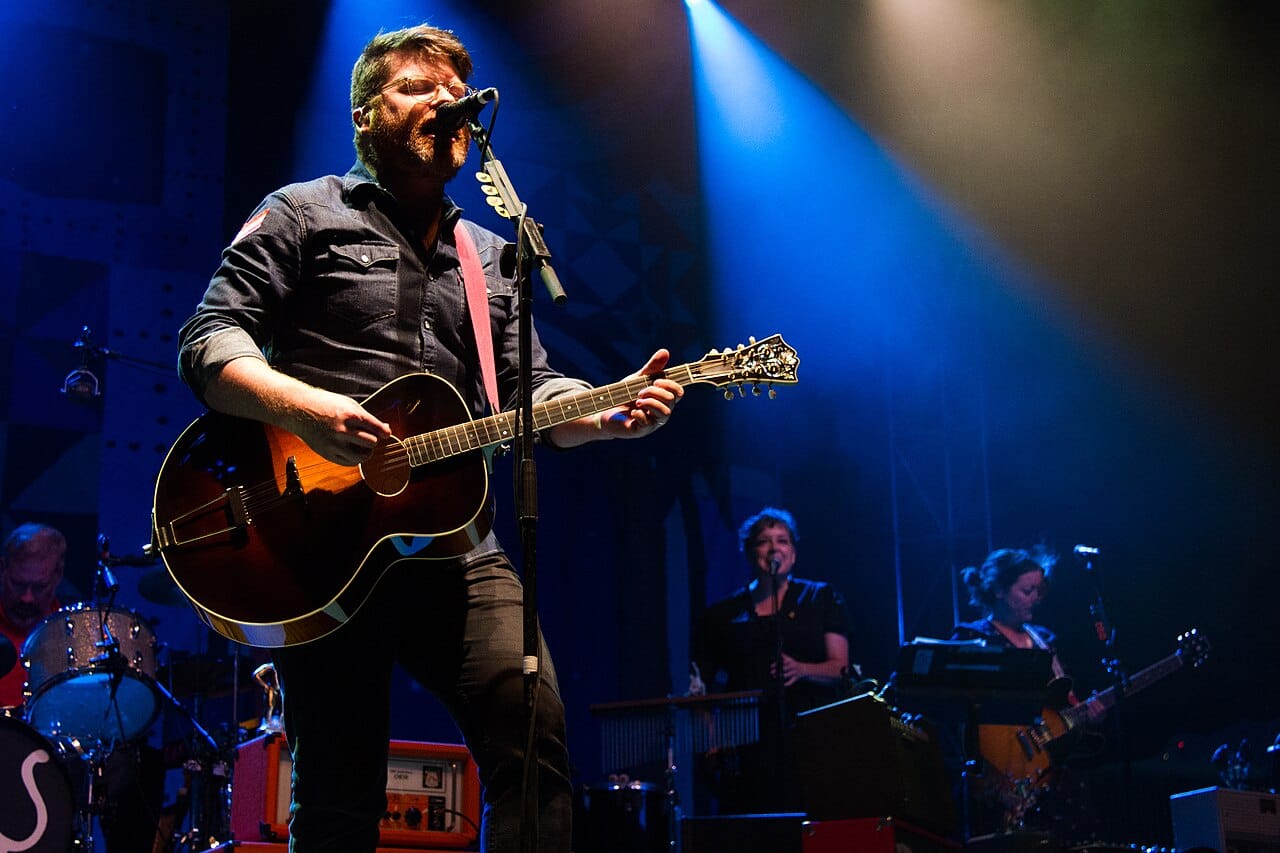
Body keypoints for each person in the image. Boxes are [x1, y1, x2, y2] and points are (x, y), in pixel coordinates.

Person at [175, 23, 683, 853]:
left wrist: (602, 412)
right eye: (419, 86)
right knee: (339, 795)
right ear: (366, 115)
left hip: (459, 548)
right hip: (317, 544)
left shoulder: (491, 257)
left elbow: (528, 394)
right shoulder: (303, 212)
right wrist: (309, 412)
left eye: (455, 91)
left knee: (535, 742)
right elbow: (209, 340)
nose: (445, 101)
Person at [691, 506, 852, 812]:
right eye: (765, 541)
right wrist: (711, 742)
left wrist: (802, 669)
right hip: (744, 744)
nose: (774, 548)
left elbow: (841, 668)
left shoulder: (820, 598)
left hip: (809, 739)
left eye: (783, 540)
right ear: (749, 552)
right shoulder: (722, 615)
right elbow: (700, 691)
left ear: (793, 552)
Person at [951, 547, 1106, 834]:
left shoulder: (1045, 639)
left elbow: (1065, 704)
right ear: (999, 591)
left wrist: (1089, 714)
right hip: (998, 769)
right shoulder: (973, 637)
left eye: (1039, 590)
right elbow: (956, 710)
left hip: (1051, 771)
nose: (1035, 598)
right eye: (1026, 590)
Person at [0, 522, 66, 708]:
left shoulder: (77, 642)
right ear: (1, 570)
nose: (27, 598)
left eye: (39, 587)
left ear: (58, 576)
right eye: (18, 585)